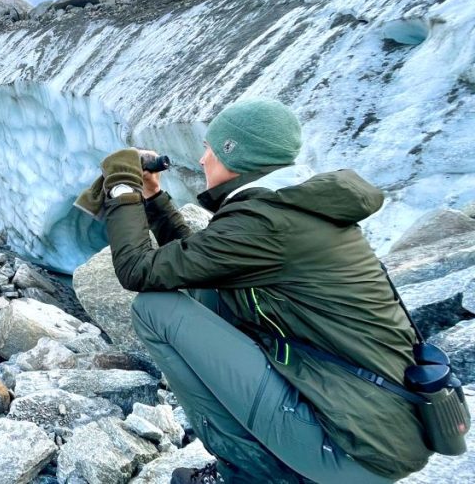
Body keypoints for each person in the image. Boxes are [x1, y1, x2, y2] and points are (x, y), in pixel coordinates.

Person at [97, 98, 432, 483]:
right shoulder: (291, 207)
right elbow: (201, 267)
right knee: (210, 294)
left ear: (232, 153)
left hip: (355, 451)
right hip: (378, 425)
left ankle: (245, 471)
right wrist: (154, 198)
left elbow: (138, 270)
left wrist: (122, 187)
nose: (202, 159)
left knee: (155, 309)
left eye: (208, 148)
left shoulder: (267, 223)